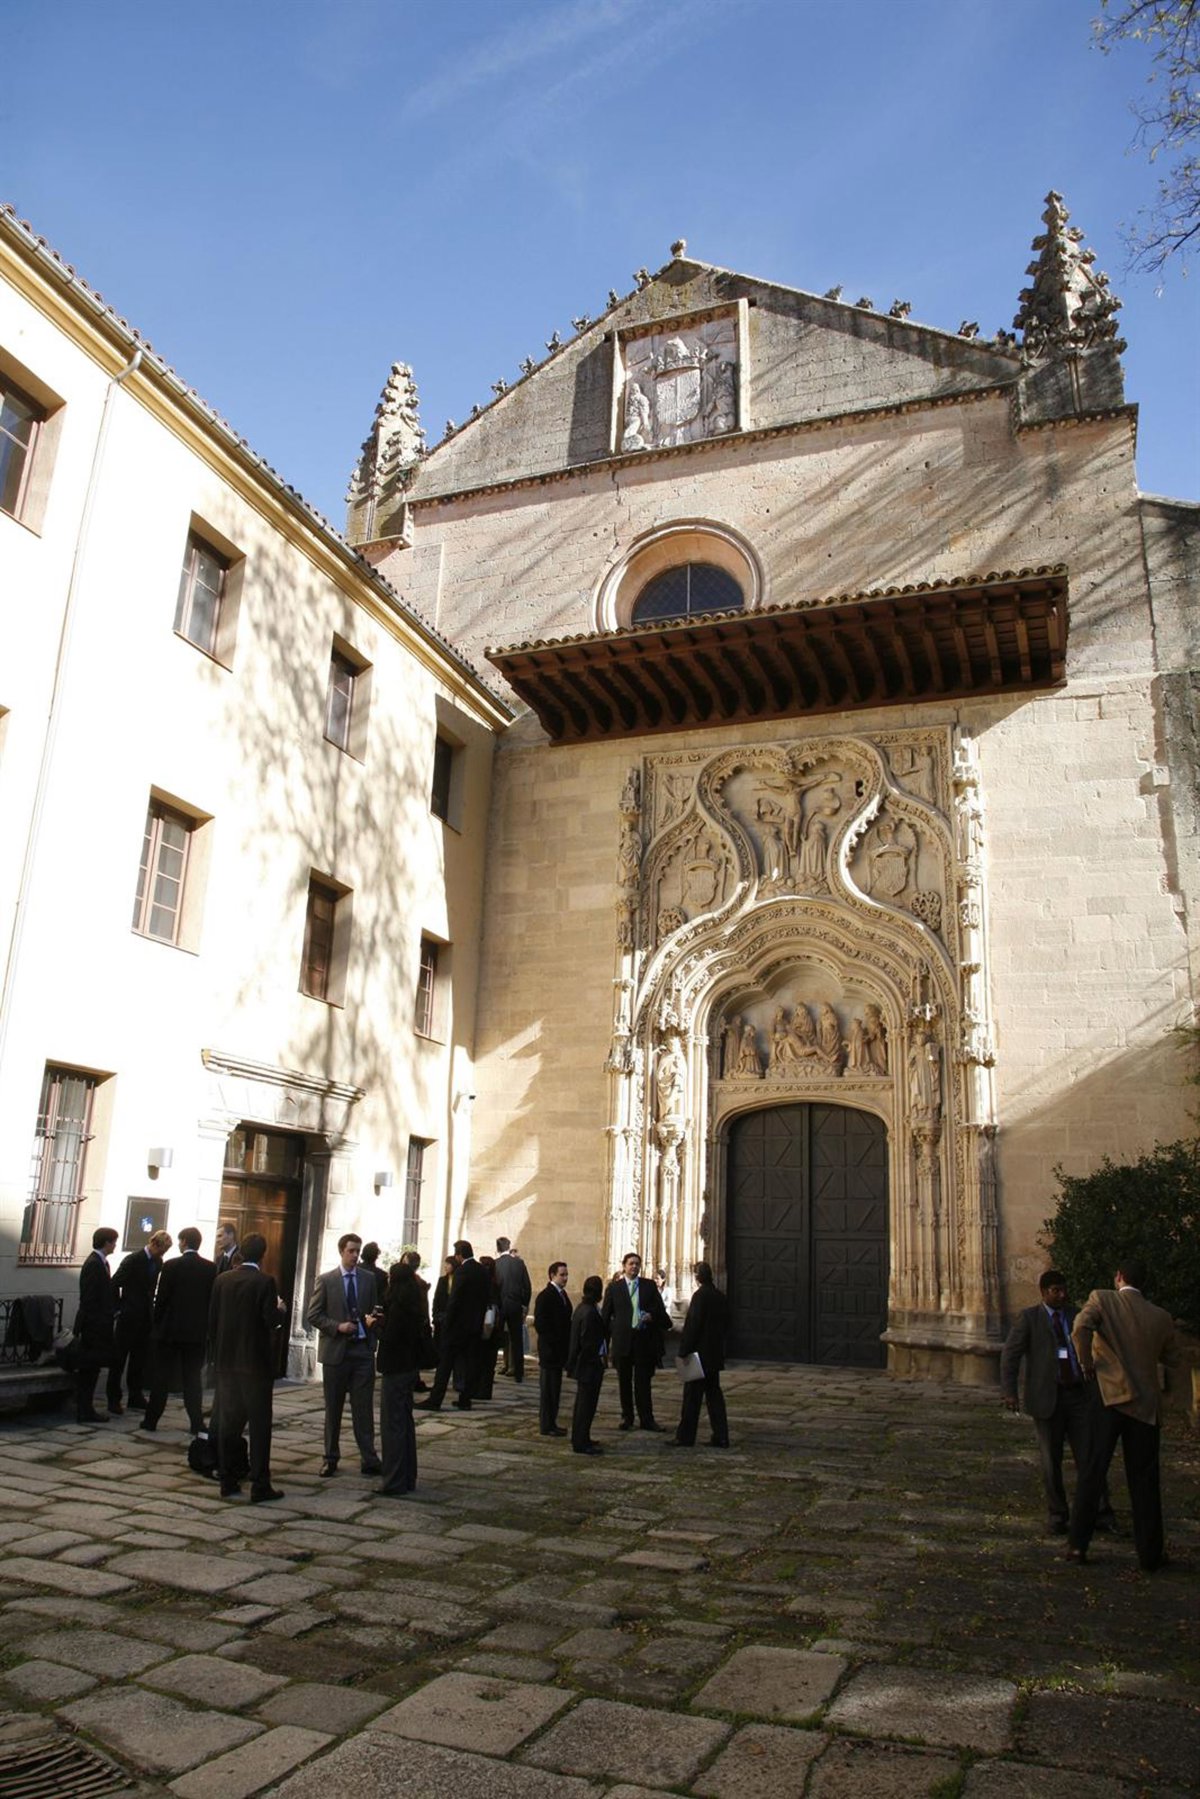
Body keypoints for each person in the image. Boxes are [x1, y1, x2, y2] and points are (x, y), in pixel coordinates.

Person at [1066, 1259, 1182, 1571]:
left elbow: (1080, 1327)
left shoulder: (1103, 1299)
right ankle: (1150, 1554)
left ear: (1119, 1276)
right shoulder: (1160, 1316)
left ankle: (1077, 1546)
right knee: (1145, 1480)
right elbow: (1173, 1357)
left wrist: (1086, 1363)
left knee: (1092, 1472)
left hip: (1110, 1397)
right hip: (1145, 1405)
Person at [999, 1268, 1114, 1536]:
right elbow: (1011, 1355)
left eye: (1063, 1290)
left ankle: (1100, 1511)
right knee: (1051, 1461)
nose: (1062, 1295)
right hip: (1047, 1397)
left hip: (1077, 1395)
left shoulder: (1076, 1316)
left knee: (1089, 1455)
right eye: (1055, 1291)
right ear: (1043, 1292)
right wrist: (1009, 1391)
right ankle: (1057, 1514)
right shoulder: (1030, 1319)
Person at [208, 1231, 284, 1502]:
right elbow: (270, 1320)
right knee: (260, 1425)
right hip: (255, 1365)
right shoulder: (265, 1282)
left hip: (227, 1363)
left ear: (241, 1252)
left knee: (228, 1424)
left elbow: (213, 1321)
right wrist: (280, 1310)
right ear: (263, 1254)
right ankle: (260, 1483)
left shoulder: (222, 1280)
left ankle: (227, 1479)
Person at [304, 1233, 383, 1477]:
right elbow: (314, 1314)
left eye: (358, 1251)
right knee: (333, 1408)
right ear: (341, 1252)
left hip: (361, 1351)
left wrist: (372, 1328)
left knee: (363, 1408)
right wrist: (337, 1326)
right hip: (336, 1352)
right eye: (351, 1251)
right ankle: (330, 1457)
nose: (355, 1255)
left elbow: (374, 1309)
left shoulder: (368, 1279)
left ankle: (369, 1457)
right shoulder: (327, 1280)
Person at [141, 1226, 216, 1434]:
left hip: (170, 1331)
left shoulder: (171, 1265)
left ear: (183, 1242)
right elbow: (211, 1301)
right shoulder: (209, 1268)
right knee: (192, 1379)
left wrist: (157, 1324)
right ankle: (196, 1423)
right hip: (196, 1333)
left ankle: (151, 1420)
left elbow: (162, 1299)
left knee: (161, 1378)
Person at [376, 1260, 434, 1496]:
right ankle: (407, 1476)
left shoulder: (399, 1307)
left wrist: (374, 1325)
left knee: (393, 1425)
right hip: (409, 1367)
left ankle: (394, 1480)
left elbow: (391, 1337)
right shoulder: (414, 1304)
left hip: (396, 1368)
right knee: (405, 1423)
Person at [416, 1240, 489, 1411]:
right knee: (471, 1363)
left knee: (445, 1364)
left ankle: (435, 1399)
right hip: (475, 1325)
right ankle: (465, 1399)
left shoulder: (462, 1271)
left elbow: (455, 1299)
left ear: (459, 1255)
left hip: (457, 1326)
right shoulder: (482, 1271)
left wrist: (447, 1322)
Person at [601, 1251, 669, 1432]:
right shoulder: (614, 1288)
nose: (634, 1266)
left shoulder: (649, 1286)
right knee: (624, 1382)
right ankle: (627, 1417)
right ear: (624, 1266)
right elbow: (606, 1316)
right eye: (631, 1263)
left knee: (643, 1383)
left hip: (643, 1342)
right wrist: (604, 1345)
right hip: (622, 1342)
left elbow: (660, 1311)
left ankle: (647, 1419)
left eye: (637, 1264)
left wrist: (651, 1316)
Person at [107, 1229, 172, 1413]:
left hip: (145, 1316)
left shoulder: (158, 1262)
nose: (162, 1254)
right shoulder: (133, 1260)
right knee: (119, 1359)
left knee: (139, 1359)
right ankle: (114, 1398)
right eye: (162, 1250)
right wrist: (119, 1307)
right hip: (129, 1315)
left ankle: (135, 1395)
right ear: (154, 1244)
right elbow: (115, 1283)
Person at [669, 1262, 730, 1448]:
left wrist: (683, 1351)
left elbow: (693, 1326)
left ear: (697, 1277)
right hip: (714, 1354)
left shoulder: (700, 1296)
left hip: (698, 1356)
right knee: (714, 1396)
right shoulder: (720, 1296)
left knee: (691, 1398)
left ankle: (685, 1437)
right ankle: (721, 1436)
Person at [75, 1226, 119, 1422]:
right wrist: (100, 1319)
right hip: (93, 1326)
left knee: (93, 1368)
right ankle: (85, 1409)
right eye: (113, 1242)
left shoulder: (102, 1263)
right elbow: (90, 1297)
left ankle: (86, 1407)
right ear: (106, 1242)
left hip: (98, 1324)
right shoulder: (94, 1264)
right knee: (89, 1369)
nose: (115, 1245)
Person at [567, 1276, 607, 1454]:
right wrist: (596, 1359)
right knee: (585, 1404)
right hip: (588, 1364)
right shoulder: (589, 1312)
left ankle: (583, 1437)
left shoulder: (583, 1308)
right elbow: (587, 1341)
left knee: (586, 1404)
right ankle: (580, 1441)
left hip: (586, 1363)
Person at [533, 1261, 572, 1436]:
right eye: (562, 1275)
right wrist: (553, 1341)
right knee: (548, 1390)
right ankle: (546, 1425)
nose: (565, 1278)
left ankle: (552, 1422)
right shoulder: (546, 1296)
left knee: (555, 1389)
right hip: (550, 1350)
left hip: (559, 1350)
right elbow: (541, 1324)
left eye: (566, 1275)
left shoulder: (562, 1295)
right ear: (552, 1275)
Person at [495, 1237, 532, 1381]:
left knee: (495, 1339)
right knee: (517, 1340)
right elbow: (527, 1286)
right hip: (515, 1305)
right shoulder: (519, 1263)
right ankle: (518, 1373)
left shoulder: (496, 1264)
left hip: (500, 1305)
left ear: (498, 1248)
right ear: (509, 1247)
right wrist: (524, 1304)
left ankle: (489, 1371)